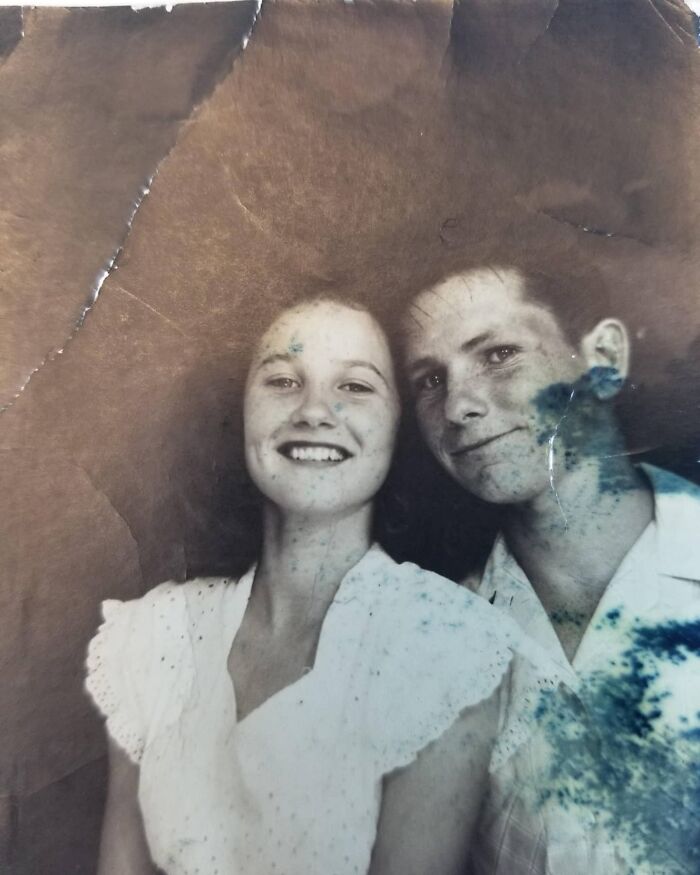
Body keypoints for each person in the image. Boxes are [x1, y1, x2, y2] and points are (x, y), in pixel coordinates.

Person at [85, 296, 549, 875]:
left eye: (355, 387)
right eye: (282, 379)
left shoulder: (445, 642)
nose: (314, 412)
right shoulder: (151, 635)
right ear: (240, 410)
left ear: (397, 425)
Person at [402, 263, 700, 875]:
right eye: (430, 380)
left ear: (604, 359)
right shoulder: (436, 642)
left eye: (499, 353)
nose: (457, 405)